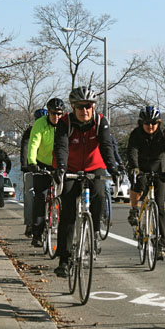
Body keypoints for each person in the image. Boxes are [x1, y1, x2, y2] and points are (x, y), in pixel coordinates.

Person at [52, 86, 119, 277]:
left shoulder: (100, 122)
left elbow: (106, 146)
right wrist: (61, 169)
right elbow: (61, 147)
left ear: (94, 106)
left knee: (99, 193)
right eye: (80, 107)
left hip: (94, 166)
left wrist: (112, 168)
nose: (85, 111)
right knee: (68, 214)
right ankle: (64, 260)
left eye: (88, 106)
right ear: (73, 107)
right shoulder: (65, 122)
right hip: (70, 168)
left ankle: (95, 230)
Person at [126, 106, 165, 260]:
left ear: (158, 123)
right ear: (142, 123)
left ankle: (161, 245)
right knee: (138, 187)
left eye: (154, 123)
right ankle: (134, 210)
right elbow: (132, 151)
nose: (150, 126)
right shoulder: (136, 134)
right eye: (147, 123)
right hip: (140, 165)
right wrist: (135, 168)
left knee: (159, 207)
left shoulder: (164, 134)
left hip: (158, 166)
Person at [28, 99, 65, 247]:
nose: (56, 117)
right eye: (53, 113)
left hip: (60, 164)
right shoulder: (40, 124)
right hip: (42, 163)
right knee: (41, 198)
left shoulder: (66, 124)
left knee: (65, 198)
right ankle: (37, 234)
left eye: (59, 114)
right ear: (48, 112)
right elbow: (33, 143)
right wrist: (32, 162)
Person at [22, 108, 49, 238]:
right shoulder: (30, 132)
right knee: (29, 194)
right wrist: (26, 165)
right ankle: (30, 224)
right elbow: (26, 147)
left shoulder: (51, 129)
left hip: (49, 165)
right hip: (33, 167)